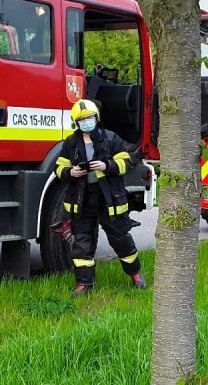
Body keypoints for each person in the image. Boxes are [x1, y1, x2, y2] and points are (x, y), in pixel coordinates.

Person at [55, 99, 146, 298]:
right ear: (76, 122)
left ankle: (136, 275)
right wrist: (71, 172)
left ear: (96, 117)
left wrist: (107, 166)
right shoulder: (71, 142)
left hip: (109, 199)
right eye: (82, 119)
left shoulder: (110, 138)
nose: (87, 121)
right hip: (82, 198)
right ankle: (84, 284)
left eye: (90, 117)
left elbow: (126, 161)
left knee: (121, 238)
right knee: (82, 243)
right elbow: (59, 168)